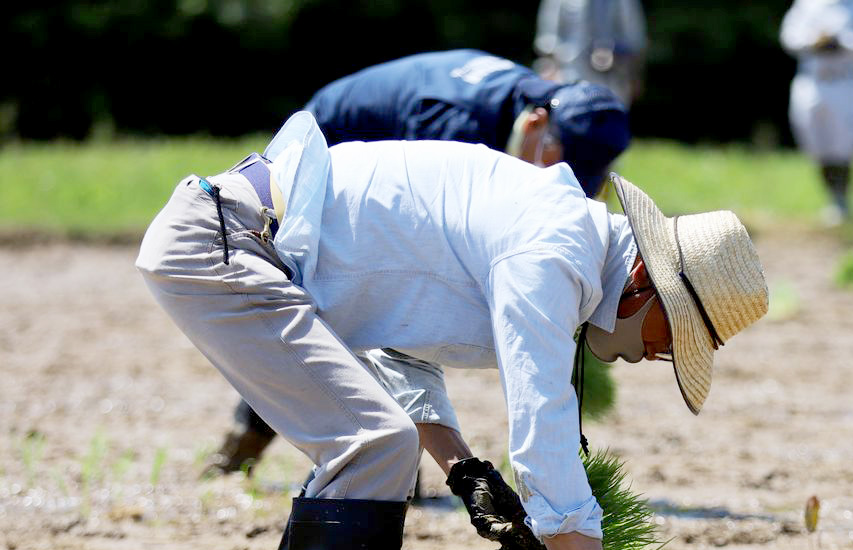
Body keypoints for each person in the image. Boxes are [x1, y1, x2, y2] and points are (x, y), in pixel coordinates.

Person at [134, 110, 768, 550]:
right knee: (372, 443)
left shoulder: (553, 235)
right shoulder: (550, 252)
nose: (652, 357)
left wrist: (466, 474)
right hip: (224, 246)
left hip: (237, 244)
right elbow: (543, 447)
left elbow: (398, 347)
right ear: (644, 284)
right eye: (667, 337)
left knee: (367, 437)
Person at [208, 48, 633, 477]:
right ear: (537, 124)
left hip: (385, 150)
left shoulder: (529, 108)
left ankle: (379, 453)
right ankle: (251, 443)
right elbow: (405, 267)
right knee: (337, 304)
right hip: (325, 151)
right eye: (553, 165)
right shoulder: (456, 127)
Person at [780, 0, 853, 225]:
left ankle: (841, 200)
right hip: (812, 80)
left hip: (845, 80)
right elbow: (789, 36)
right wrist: (813, 42)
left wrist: (843, 43)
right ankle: (831, 195)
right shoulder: (808, 4)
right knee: (814, 141)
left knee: (843, 143)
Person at [534, 0, 648, 109]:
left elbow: (634, 40)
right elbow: (547, 40)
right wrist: (550, 69)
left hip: (612, 81)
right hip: (568, 77)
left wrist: (613, 51)